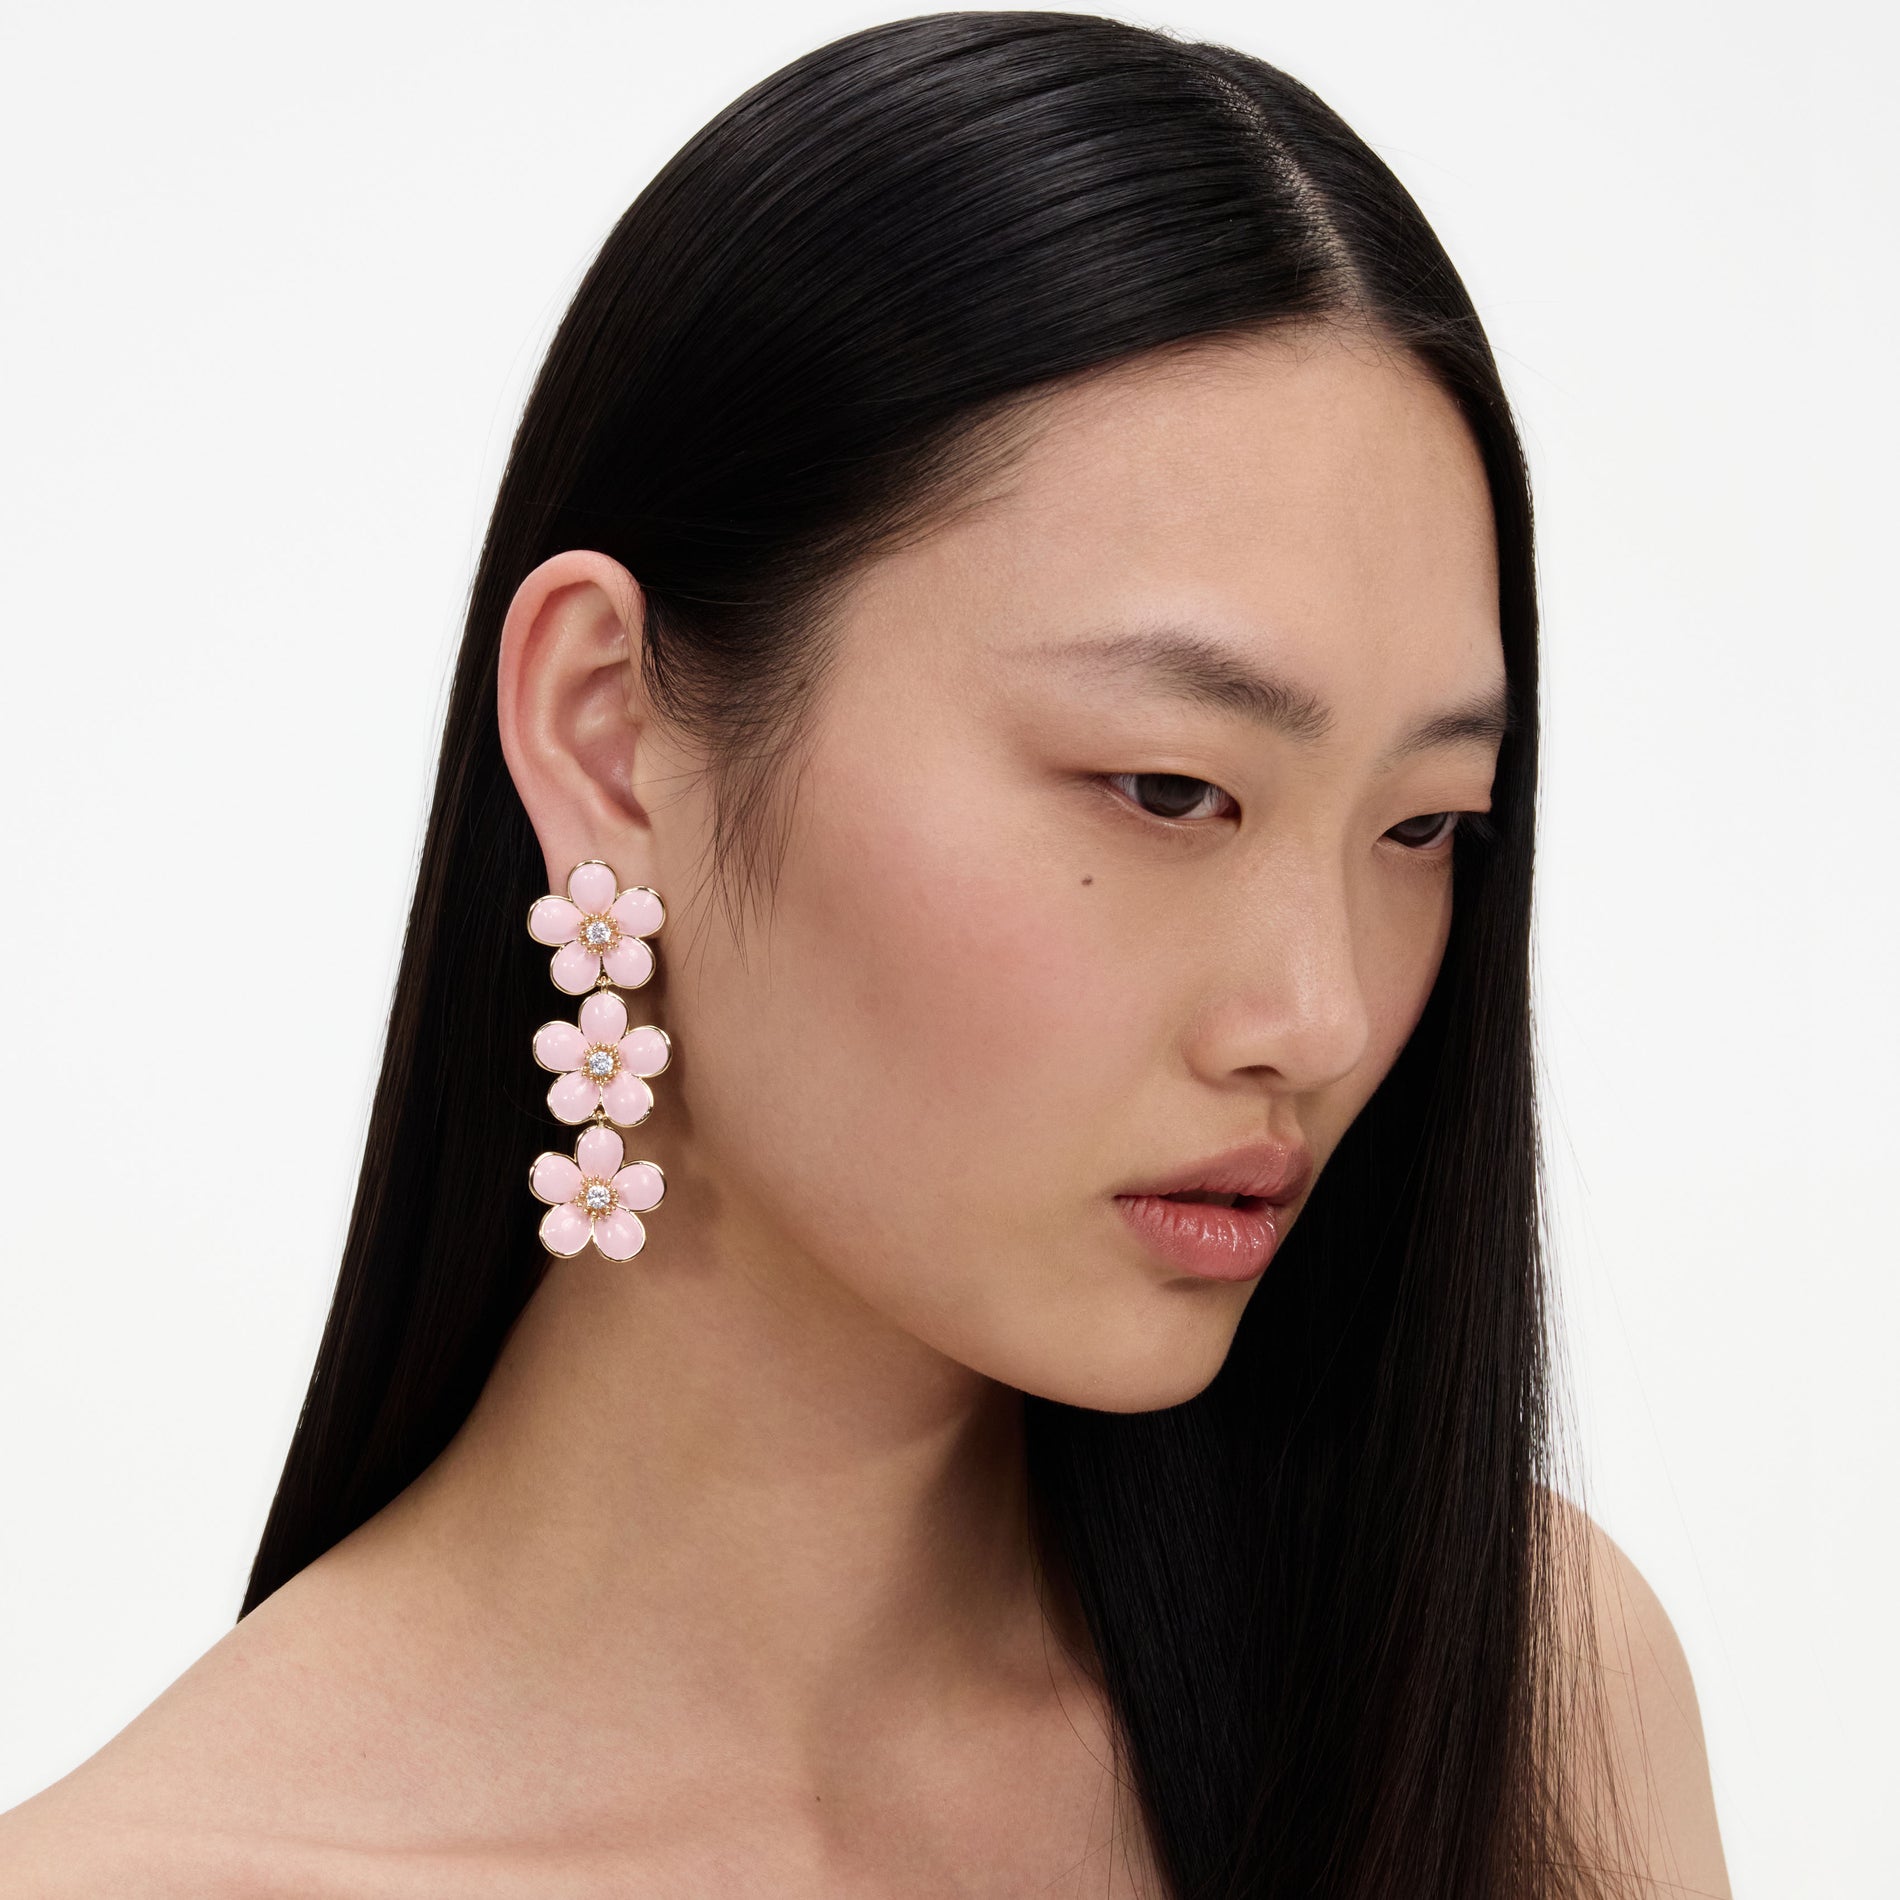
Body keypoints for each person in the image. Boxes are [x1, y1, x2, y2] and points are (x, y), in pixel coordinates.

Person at [0, 12, 1729, 1895]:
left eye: (1423, 830)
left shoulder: (1515, 1699)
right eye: (1164, 788)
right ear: (605, 733)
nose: (1317, 1017)